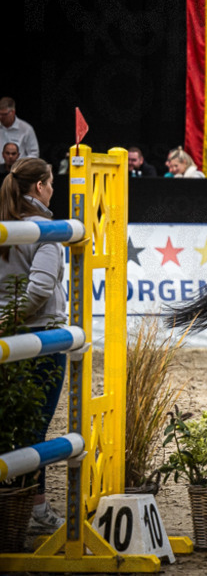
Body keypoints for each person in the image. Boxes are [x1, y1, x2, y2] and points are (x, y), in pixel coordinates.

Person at [0, 157, 68, 534]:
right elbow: (40, 289)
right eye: (51, 183)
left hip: (8, 337)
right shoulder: (45, 229)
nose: (53, 188)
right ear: (40, 187)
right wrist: (10, 318)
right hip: (41, 337)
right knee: (35, 428)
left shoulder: (7, 224)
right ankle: (38, 510)